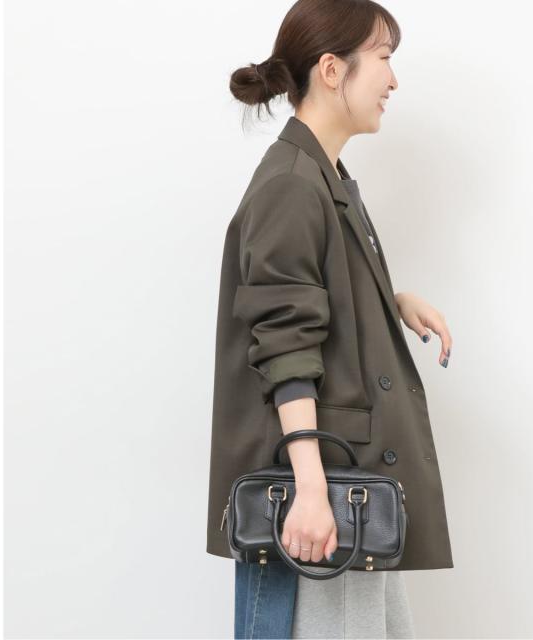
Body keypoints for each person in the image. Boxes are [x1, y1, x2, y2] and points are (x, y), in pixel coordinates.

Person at [206, 1, 455, 637]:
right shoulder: (293, 183)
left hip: (351, 488)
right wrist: (312, 491)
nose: (393, 80)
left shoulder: (323, 174)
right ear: (331, 69)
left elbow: (309, 298)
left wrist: (386, 301)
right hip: (325, 501)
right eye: (384, 58)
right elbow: (285, 347)